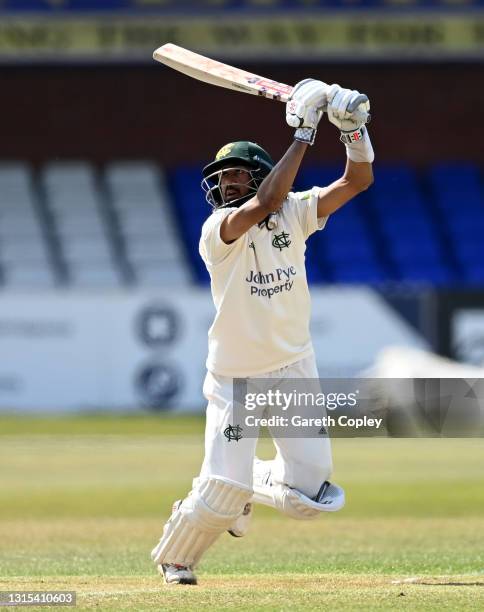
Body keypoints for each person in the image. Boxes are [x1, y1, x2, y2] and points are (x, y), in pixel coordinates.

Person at [151, 79, 374, 585]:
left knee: (309, 499)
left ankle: (245, 483)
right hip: (235, 379)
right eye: (222, 177)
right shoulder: (218, 231)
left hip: (294, 366)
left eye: (237, 175)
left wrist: (353, 131)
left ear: (257, 174)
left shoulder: (294, 211)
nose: (227, 185)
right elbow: (266, 201)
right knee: (220, 489)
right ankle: (177, 557)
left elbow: (356, 182)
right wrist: (303, 133)